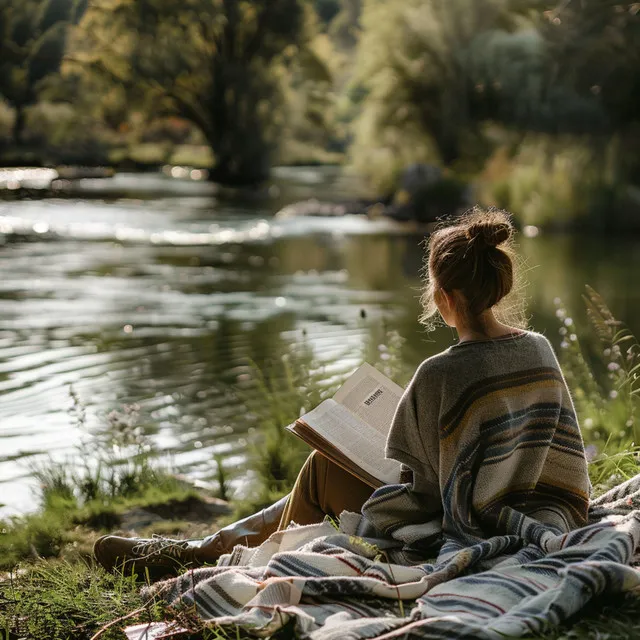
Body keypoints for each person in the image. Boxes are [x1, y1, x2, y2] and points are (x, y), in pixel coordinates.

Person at [94, 208, 590, 576]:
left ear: (442, 296)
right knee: (325, 471)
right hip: (538, 507)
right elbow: (559, 451)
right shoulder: (540, 348)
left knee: (325, 467)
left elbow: (423, 488)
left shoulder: (441, 373)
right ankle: (209, 547)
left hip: (469, 521)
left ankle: (223, 561)